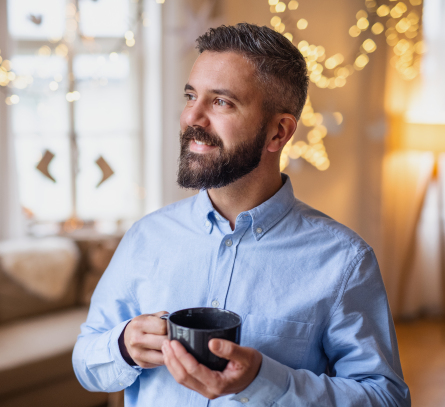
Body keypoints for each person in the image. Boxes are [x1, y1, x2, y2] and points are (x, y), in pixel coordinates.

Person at [73, 23, 410, 406]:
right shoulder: (146, 237)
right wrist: (122, 346)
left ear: (278, 133)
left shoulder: (344, 260)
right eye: (190, 96)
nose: (191, 118)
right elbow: (86, 361)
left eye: (221, 102)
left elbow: (386, 398)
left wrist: (264, 381)